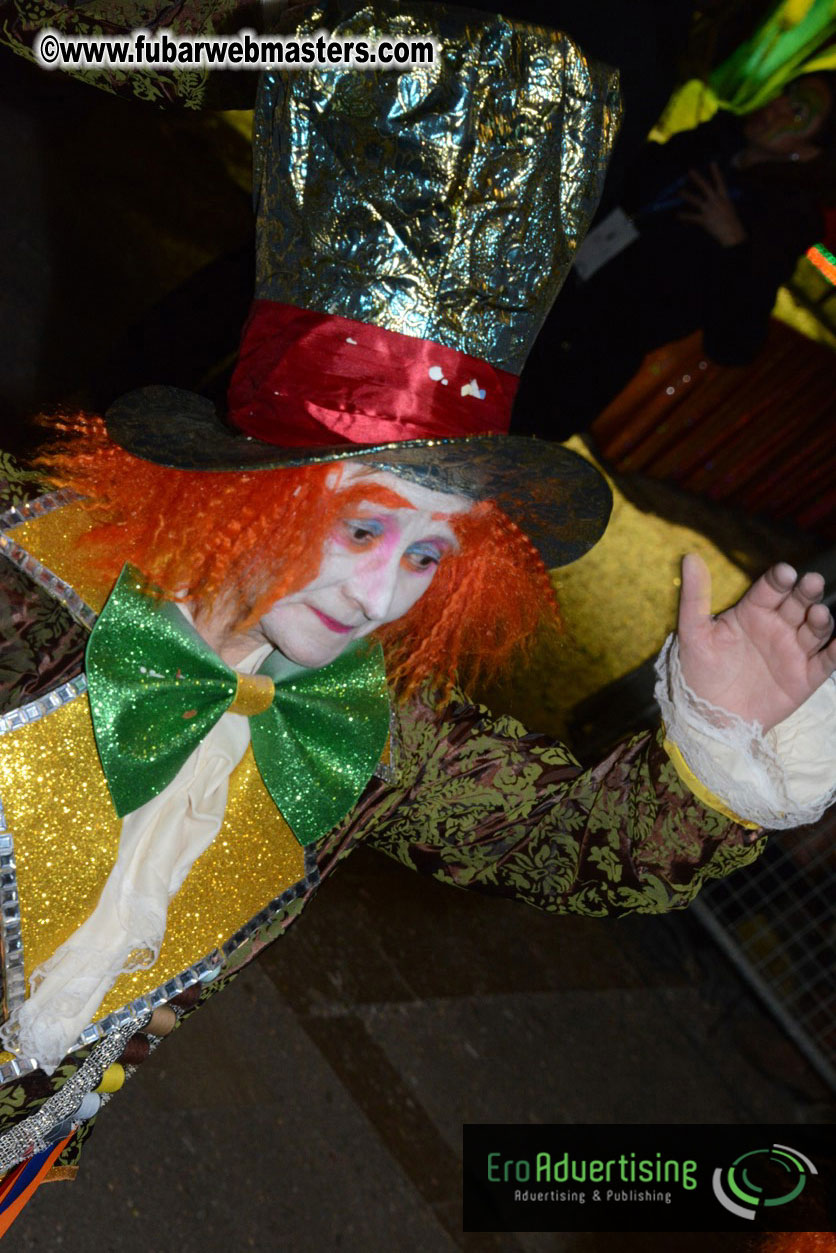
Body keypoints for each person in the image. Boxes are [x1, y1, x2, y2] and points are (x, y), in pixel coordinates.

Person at [0, 0, 833, 1228]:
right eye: (364, 527)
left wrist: (720, 750)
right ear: (250, 486)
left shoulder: (368, 725)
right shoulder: (28, 570)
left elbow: (567, 839)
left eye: (432, 550)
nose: (384, 595)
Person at [512, 72, 836, 438]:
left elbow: (735, 343)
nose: (776, 106)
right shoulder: (714, 144)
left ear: (809, 151)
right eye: (785, 93)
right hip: (536, 298)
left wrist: (734, 245)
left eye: (797, 111)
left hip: (572, 364)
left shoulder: (776, 223)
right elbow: (622, 179)